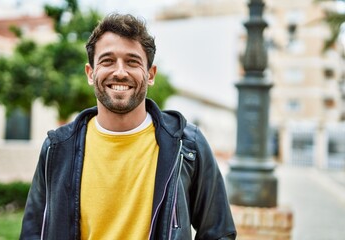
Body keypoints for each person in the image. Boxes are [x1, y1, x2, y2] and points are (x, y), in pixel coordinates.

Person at [20, 13, 236, 240]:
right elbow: (32, 233)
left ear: (150, 74)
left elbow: (218, 232)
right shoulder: (57, 147)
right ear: (90, 73)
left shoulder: (187, 144)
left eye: (132, 61)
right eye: (107, 61)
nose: (120, 72)